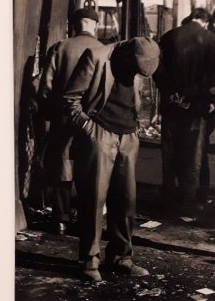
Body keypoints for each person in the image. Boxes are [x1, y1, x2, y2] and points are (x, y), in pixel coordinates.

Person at [63, 37, 160, 282]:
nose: (136, 75)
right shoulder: (96, 57)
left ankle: (121, 257)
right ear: (127, 55)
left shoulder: (139, 61)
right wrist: (89, 129)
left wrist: (135, 131)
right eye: (136, 70)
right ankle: (89, 262)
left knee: (126, 201)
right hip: (100, 134)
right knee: (94, 200)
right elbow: (70, 99)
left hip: (128, 136)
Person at [36, 7, 101, 234]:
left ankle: (61, 219)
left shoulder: (60, 48)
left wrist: (50, 110)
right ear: (95, 25)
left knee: (62, 167)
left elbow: (45, 87)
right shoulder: (104, 51)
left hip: (62, 118)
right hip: (92, 121)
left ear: (74, 25)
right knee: (89, 168)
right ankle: (86, 220)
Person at [154, 7, 215, 218]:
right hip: (195, 108)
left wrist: (172, 93)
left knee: (170, 153)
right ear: (204, 21)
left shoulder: (168, 37)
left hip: (172, 105)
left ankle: (168, 200)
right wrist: (202, 98)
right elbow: (214, 76)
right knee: (193, 155)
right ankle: (188, 203)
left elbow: (157, 69)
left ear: (190, 18)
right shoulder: (211, 40)